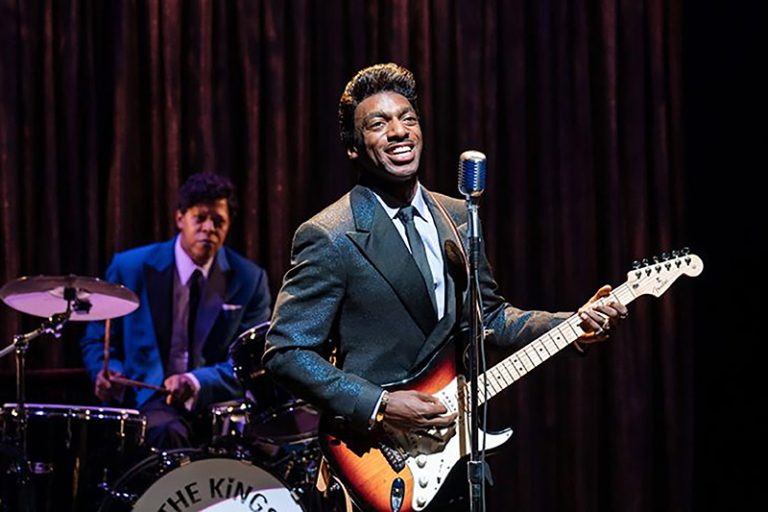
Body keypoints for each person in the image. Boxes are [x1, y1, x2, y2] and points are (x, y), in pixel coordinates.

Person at [262, 63, 626, 507]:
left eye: (408, 119)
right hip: (379, 460)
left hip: (456, 458)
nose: (399, 131)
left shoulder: (457, 216)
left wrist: (572, 324)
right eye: (379, 124)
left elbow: (489, 318)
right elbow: (286, 353)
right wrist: (380, 404)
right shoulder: (330, 234)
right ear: (353, 148)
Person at [81, 172, 271, 448]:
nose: (208, 228)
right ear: (180, 218)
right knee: (168, 432)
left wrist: (195, 381)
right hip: (148, 397)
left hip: (218, 399)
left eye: (218, 221)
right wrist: (107, 372)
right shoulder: (130, 268)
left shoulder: (249, 279)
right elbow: (97, 339)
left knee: (275, 446)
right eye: (200, 218)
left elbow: (251, 359)